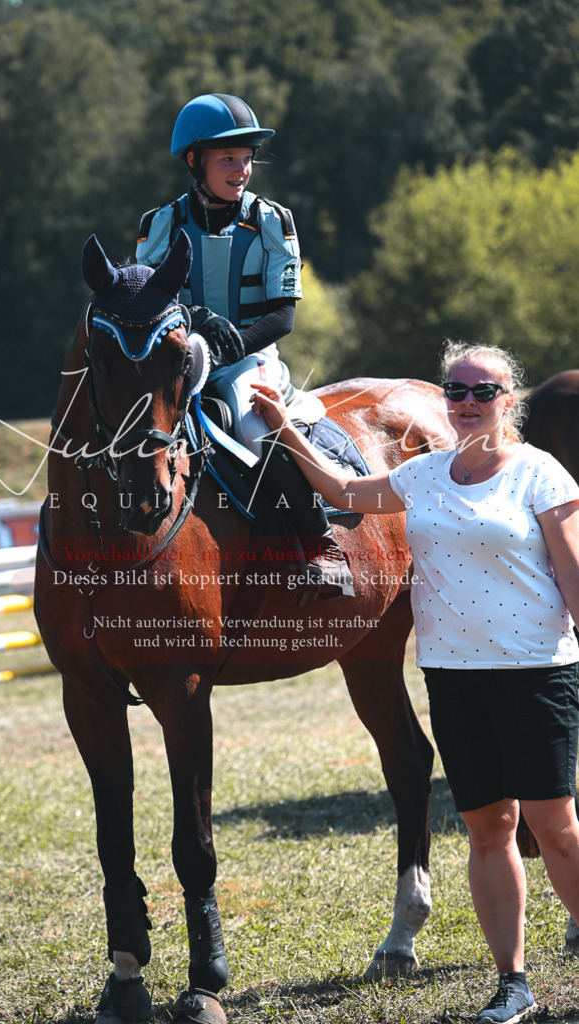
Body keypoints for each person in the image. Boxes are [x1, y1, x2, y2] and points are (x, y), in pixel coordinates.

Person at [250, 340, 579, 1024]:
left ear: (507, 402)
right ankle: (512, 982)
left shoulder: (541, 474)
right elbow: (343, 493)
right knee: (490, 827)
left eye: (480, 391)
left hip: (536, 671)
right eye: (454, 390)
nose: (463, 403)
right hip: (454, 676)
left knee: (556, 829)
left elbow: (573, 572)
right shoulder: (423, 475)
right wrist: (284, 427)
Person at [136, 92, 354, 598]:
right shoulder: (160, 224)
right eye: (228, 158)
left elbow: (284, 314)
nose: (241, 169)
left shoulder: (273, 220)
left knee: (256, 423)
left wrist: (233, 345)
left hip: (253, 356)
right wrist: (196, 321)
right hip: (183, 355)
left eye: (247, 159)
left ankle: (320, 544)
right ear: (195, 161)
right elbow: (151, 301)